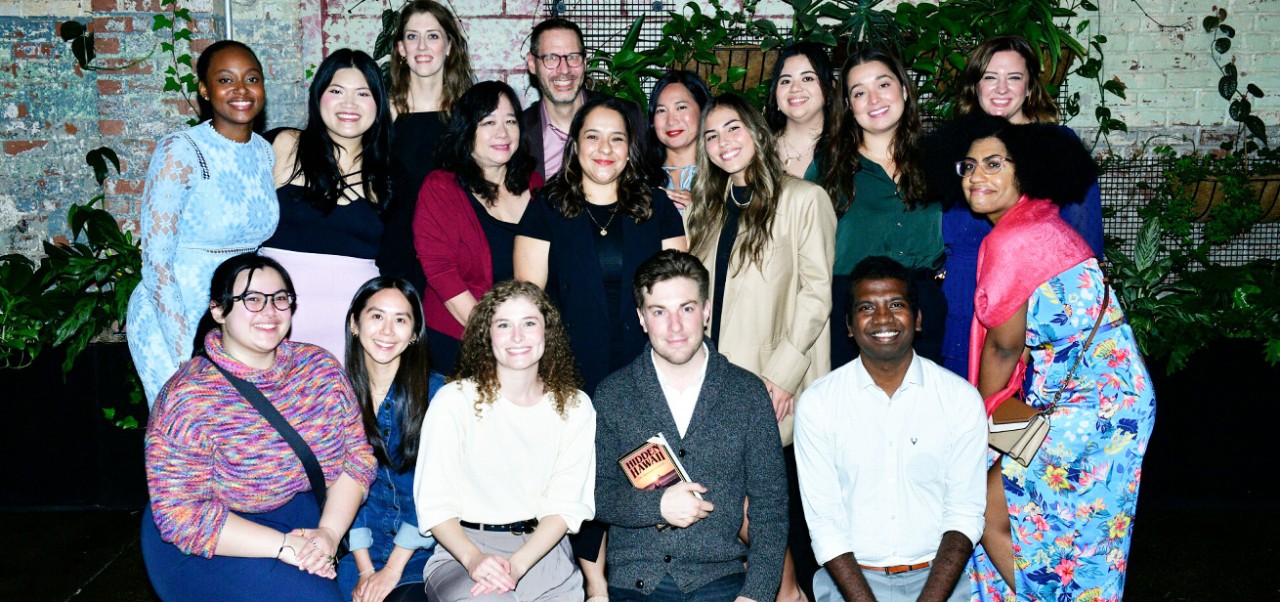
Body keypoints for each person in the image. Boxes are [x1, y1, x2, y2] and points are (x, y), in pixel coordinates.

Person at [952, 123, 1156, 601]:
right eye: (969, 166)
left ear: (1025, 171)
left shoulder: (1015, 239)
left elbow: (1004, 348)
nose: (977, 176)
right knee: (1061, 528)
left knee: (983, 508)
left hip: (1094, 405)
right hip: (1095, 396)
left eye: (994, 164)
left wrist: (975, 422)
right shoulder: (1041, 223)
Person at [142, 253, 376, 601]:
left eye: (280, 298)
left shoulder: (320, 369)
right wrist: (285, 546)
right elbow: (181, 512)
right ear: (218, 310)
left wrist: (328, 532)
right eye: (252, 299)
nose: (270, 311)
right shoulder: (188, 396)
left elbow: (356, 459)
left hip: (311, 517)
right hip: (216, 534)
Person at [688, 96, 834, 602]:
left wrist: (782, 376)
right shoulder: (708, 210)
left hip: (773, 381)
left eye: (733, 129)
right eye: (711, 135)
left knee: (766, 508)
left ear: (757, 132)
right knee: (734, 506)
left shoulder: (804, 199)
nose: (723, 142)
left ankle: (791, 594)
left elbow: (816, 296)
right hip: (717, 382)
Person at [593, 249, 788, 602]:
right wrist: (657, 507)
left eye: (686, 308)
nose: (675, 326)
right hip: (638, 580)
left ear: (706, 310)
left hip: (721, 579)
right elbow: (595, 494)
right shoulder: (613, 394)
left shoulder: (746, 393)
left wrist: (757, 594)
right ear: (641, 318)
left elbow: (770, 507)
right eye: (659, 312)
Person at [794, 256, 986, 602]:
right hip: (849, 584)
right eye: (867, 307)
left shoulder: (959, 399)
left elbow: (965, 515)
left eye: (896, 304)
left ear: (918, 319)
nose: (883, 318)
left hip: (939, 582)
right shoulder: (819, 404)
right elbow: (825, 525)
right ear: (849, 326)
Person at [413, 280, 596, 602]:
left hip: (546, 554)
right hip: (466, 552)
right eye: (503, 325)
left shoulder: (575, 406)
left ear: (547, 331)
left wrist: (517, 566)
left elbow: (566, 505)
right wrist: (474, 559)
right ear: (487, 334)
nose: (517, 336)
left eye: (529, 323)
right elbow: (434, 504)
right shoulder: (454, 401)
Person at [936, 35, 1106, 377]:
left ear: (1029, 87)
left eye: (1013, 77)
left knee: (1013, 407)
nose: (1001, 88)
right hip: (961, 307)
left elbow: (1085, 252)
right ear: (975, 86)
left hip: (1034, 317)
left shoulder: (1059, 149)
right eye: (990, 77)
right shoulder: (956, 146)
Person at [127, 40, 278, 406]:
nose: (241, 90)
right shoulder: (181, 149)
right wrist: (187, 353)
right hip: (176, 314)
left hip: (239, 313)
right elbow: (157, 261)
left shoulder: (264, 152)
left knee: (242, 431)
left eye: (252, 79)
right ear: (205, 90)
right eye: (226, 80)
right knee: (188, 426)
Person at [515, 96, 688, 394]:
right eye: (593, 137)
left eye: (617, 138)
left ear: (630, 149)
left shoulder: (658, 207)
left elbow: (678, 294)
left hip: (647, 365)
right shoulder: (546, 208)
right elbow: (529, 301)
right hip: (568, 368)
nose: (605, 149)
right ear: (575, 146)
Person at [261, 49, 392, 360]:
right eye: (336, 91)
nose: (349, 104)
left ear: (379, 103)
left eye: (363, 93)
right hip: (272, 324)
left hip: (354, 334)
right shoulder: (284, 145)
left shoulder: (388, 172)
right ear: (318, 96)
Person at [822, 48, 945, 369]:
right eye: (859, 92)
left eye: (883, 84)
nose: (874, 99)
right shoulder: (828, 168)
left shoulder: (938, 158)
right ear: (848, 106)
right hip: (852, 310)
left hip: (923, 306)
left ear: (903, 89)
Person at [413, 81, 542, 375]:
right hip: (459, 343)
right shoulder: (441, 188)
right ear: (467, 130)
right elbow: (442, 273)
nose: (503, 132)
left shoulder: (535, 185)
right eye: (488, 122)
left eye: (510, 121)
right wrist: (492, 336)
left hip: (524, 345)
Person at [337, 277, 446, 602]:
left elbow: (437, 492)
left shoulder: (439, 395)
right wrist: (366, 571)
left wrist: (392, 570)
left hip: (425, 551)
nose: (387, 330)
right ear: (355, 324)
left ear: (414, 333)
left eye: (400, 320)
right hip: (359, 554)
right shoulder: (335, 395)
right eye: (376, 316)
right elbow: (341, 491)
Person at [378, 0, 475, 299]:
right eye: (412, 36)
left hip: (455, 256)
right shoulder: (380, 113)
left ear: (449, 47)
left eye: (433, 36)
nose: (422, 46)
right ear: (400, 49)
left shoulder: (470, 114)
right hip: (395, 252)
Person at [521, 18, 647, 180]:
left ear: (585, 61)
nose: (564, 70)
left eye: (573, 57)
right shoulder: (518, 132)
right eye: (551, 58)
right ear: (532, 64)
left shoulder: (629, 116)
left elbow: (646, 184)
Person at [765, 43, 835, 182]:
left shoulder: (849, 150)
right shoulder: (760, 151)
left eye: (807, 78)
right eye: (785, 81)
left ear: (829, 88)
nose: (795, 88)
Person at [647, 70, 713, 216]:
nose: (671, 121)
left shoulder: (723, 176)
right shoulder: (639, 180)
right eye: (661, 110)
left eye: (681, 107)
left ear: (703, 110)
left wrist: (701, 214)